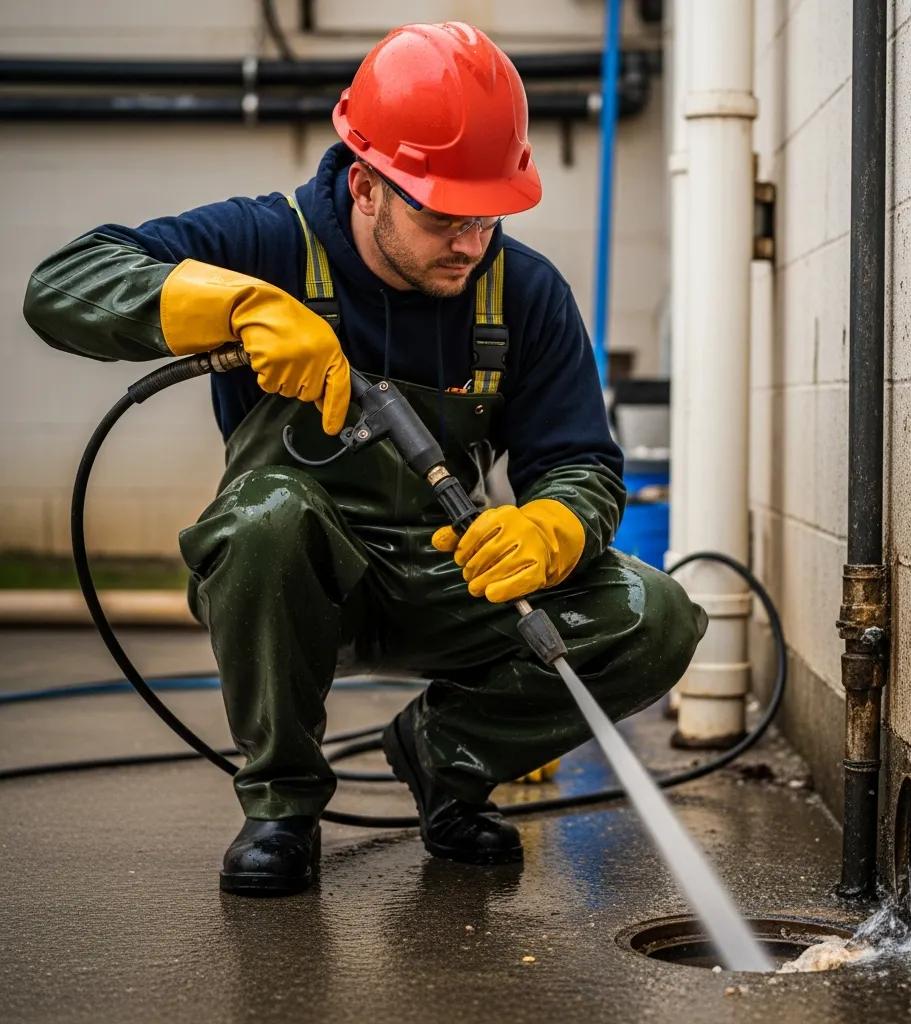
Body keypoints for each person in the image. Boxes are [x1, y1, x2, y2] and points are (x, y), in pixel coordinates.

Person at [23, 21, 707, 896]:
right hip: (298, 580)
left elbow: (582, 459)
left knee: (656, 614)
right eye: (443, 216)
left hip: (445, 578)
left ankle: (445, 759)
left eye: (488, 214)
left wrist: (553, 524)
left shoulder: (524, 293)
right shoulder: (267, 242)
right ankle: (282, 806)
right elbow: (61, 285)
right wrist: (223, 304)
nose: (470, 242)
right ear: (366, 186)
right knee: (267, 517)